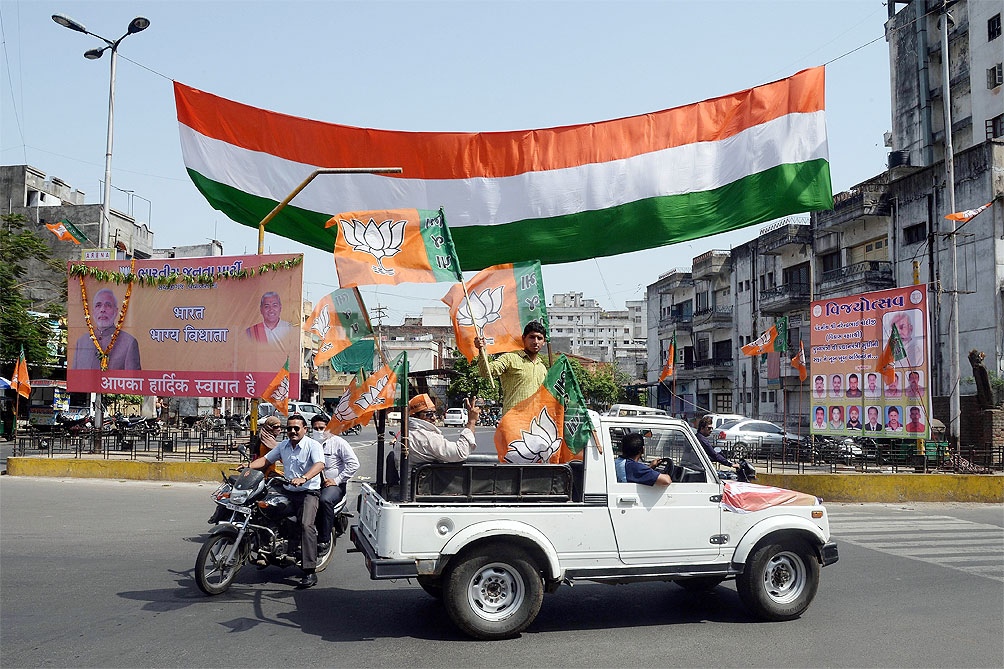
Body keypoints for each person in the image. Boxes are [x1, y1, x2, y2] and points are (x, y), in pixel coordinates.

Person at [247, 414, 325, 588]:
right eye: (289, 428)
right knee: (263, 509)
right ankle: (265, 551)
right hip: (288, 490)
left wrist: (304, 478)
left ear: (305, 429)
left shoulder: (313, 445)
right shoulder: (284, 445)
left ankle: (309, 571)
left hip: (308, 492)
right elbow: (266, 460)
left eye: (296, 428)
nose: (292, 431)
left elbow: (319, 465)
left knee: (306, 525)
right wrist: (248, 467)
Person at [474, 321, 548, 416]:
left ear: (544, 342)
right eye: (532, 337)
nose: (535, 341)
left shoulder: (542, 367)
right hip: (513, 420)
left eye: (539, 338)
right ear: (523, 338)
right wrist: (482, 350)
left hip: (534, 423)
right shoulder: (510, 358)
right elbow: (486, 372)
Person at [310, 414, 359, 555]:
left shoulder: (338, 442)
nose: (319, 431)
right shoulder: (309, 443)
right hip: (312, 484)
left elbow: (354, 464)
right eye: (315, 428)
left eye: (322, 428)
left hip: (333, 486)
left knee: (324, 500)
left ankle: (324, 540)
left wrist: (337, 480)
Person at [72, 288, 141, 370]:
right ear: (93, 312)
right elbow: (75, 378)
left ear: (116, 311)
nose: (102, 310)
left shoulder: (129, 343)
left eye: (108, 305)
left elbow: (133, 380)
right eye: (98, 305)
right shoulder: (81, 342)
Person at [406, 393, 479, 464]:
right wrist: (471, 421)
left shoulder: (407, 432)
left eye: (434, 413)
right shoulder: (425, 437)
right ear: (415, 416)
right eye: (429, 414)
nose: (434, 417)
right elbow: (460, 452)